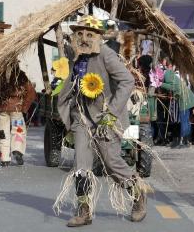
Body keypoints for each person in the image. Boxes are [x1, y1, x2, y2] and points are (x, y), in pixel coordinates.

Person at [54, 15, 149, 227]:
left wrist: (111, 114)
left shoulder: (106, 55)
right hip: (81, 119)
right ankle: (84, 210)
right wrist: (66, 107)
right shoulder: (76, 56)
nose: (84, 38)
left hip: (105, 119)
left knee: (112, 162)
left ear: (98, 36)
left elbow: (126, 81)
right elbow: (69, 85)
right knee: (81, 165)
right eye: (80, 34)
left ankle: (138, 194)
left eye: (89, 34)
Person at [0, 65, 36, 166]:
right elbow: (31, 93)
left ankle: (4, 158)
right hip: (16, 109)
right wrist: (24, 108)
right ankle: (17, 149)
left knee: (2, 133)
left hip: (2, 109)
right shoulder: (20, 75)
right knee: (18, 129)